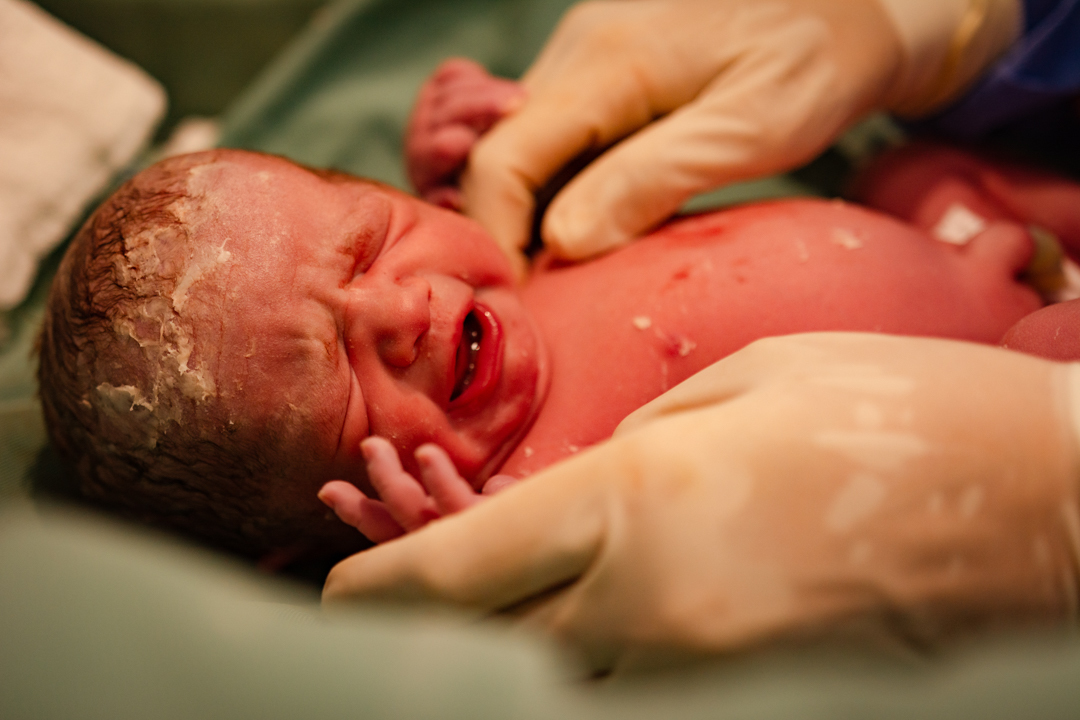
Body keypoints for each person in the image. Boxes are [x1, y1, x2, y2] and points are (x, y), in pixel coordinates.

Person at [320, 0, 1080, 669]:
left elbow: (542, 147)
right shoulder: (526, 485)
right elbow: (583, 581)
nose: (400, 310)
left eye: (375, 236)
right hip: (1007, 378)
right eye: (331, 367)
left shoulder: (516, 234)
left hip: (963, 227)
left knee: (910, 166)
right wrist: (467, 541)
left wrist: (470, 139)